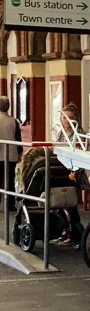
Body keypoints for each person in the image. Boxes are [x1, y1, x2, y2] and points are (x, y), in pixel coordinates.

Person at [0, 91, 18, 224]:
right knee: (10, 179)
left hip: (0, 153)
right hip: (11, 154)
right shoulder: (13, 120)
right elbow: (18, 138)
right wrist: (20, 151)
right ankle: (11, 203)